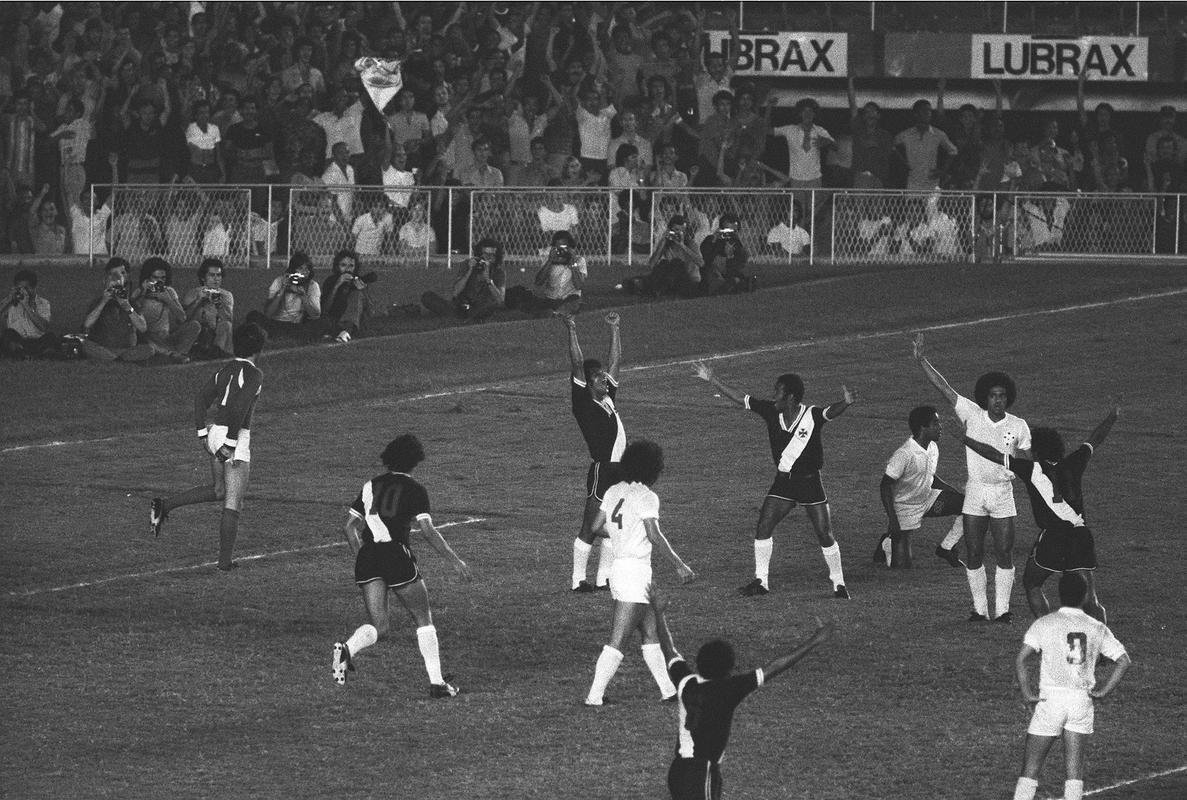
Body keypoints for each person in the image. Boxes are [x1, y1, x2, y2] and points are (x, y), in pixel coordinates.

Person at [692, 362, 856, 598]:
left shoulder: (811, 415)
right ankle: (761, 582)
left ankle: (839, 584)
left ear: (790, 397)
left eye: (777, 391)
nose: (773, 395)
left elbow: (830, 412)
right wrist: (712, 379)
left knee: (824, 532)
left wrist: (847, 403)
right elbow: (743, 398)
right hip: (784, 482)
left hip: (810, 482)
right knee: (764, 526)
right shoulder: (771, 411)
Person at [651, 591, 834, 800]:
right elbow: (775, 666)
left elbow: (669, 650)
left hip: (678, 771)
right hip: (701, 773)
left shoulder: (685, 682)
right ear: (728, 670)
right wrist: (814, 641)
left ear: (699, 663)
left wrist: (659, 613)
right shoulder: (729, 690)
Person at [330, 434, 473, 698]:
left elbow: (349, 527)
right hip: (395, 555)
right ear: (414, 461)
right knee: (423, 619)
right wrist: (455, 560)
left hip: (369, 556)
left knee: (380, 627)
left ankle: (347, 649)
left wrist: (364, 557)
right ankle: (437, 683)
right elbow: (428, 531)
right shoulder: (415, 489)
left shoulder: (370, 485)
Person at [953, 406, 1119, 623]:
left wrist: (966, 440)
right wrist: (1113, 416)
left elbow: (993, 454)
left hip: (1054, 538)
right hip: (1080, 536)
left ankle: (1049, 635)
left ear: (1037, 451)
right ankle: (1104, 654)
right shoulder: (1075, 462)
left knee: (1032, 583)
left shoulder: (1031, 469)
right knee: (1090, 600)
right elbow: (1095, 438)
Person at [914, 332, 1031, 623]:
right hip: (976, 492)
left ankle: (1002, 610)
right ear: (984, 397)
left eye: (1002, 395)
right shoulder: (972, 414)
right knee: (974, 550)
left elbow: (1028, 462)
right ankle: (979, 610)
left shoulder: (1019, 425)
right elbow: (944, 388)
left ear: (1009, 397)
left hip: (1003, 493)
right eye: (992, 395)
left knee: (1004, 552)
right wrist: (921, 360)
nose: (997, 400)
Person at [583, 440, 696, 706]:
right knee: (618, 639)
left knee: (650, 631)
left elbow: (595, 527)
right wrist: (679, 563)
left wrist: (622, 534)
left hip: (621, 568)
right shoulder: (646, 496)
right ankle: (594, 696)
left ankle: (668, 691)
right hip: (635, 571)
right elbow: (653, 534)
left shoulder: (613, 491)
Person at [149, 322, 268, 572]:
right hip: (234, 437)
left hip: (215, 432)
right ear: (259, 349)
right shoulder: (255, 374)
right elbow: (240, 409)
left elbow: (201, 398)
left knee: (219, 490)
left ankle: (165, 505)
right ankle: (224, 563)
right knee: (233, 502)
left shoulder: (225, 370)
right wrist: (230, 444)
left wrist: (203, 433)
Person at [1010, 572, 1130, 800]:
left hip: (1050, 701)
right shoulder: (1096, 626)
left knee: (1030, 770)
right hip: (1080, 702)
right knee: (1074, 773)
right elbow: (1123, 661)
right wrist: (1104, 691)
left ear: (1059, 594)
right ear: (1085, 596)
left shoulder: (1044, 623)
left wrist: (1027, 692)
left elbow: (1021, 659)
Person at [560, 311, 626, 593]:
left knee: (612, 522)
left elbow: (615, 362)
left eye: (603, 376)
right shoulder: (583, 404)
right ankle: (578, 581)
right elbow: (576, 362)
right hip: (603, 470)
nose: (604, 379)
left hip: (620, 470)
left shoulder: (607, 398)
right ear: (587, 383)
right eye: (598, 377)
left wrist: (615, 329)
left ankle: (604, 579)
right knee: (590, 525)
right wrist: (572, 329)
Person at [877, 405, 965, 569]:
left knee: (969, 505)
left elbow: (929, 475)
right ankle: (888, 543)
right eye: (935, 423)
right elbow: (885, 487)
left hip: (927, 500)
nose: (940, 427)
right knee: (902, 568)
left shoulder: (932, 447)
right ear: (923, 427)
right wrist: (893, 521)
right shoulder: (904, 454)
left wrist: (952, 492)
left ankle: (946, 548)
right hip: (905, 508)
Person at [80, 257, 158, 362]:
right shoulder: (98, 302)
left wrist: (126, 305)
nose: (116, 279)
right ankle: (118, 359)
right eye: (112, 275)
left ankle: (115, 359)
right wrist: (103, 302)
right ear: (105, 281)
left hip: (127, 349)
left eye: (121, 274)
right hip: (104, 348)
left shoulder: (132, 303)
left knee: (149, 349)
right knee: (86, 346)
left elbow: (143, 328)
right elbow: (87, 324)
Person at [132, 257, 202, 362]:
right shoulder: (139, 292)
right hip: (148, 337)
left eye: (163, 278)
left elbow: (182, 318)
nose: (159, 282)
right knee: (146, 337)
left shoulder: (169, 291)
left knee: (194, 325)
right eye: (155, 278)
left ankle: (172, 353)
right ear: (147, 278)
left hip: (166, 337)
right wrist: (142, 294)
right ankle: (172, 354)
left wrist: (168, 300)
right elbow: (134, 319)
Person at [421, 238, 506, 322]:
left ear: (496, 257)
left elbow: (500, 300)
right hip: (461, 305)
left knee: (489, 306)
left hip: (480, 307)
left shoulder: (498, 272)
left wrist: (488, 280)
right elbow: (456, 292)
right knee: (428, 297)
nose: (488, 258)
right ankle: (463, 318)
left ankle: (465, 318)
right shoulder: (468, 265)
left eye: (492, 255)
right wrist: (469, 271)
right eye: (485, 254)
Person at [505, 231, 587, 317]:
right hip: (551, 299)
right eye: (557, 247)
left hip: (570, 299)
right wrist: (550, 261)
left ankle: (556, 313)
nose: (561, 250)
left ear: (570, 247)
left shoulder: (579, 260)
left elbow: (579, 285)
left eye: (564, 247)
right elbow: (538, 282)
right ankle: (553, 313)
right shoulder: (550, 260)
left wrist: (573, 263)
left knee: (570, 303)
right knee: (529, 299)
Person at [619, 214, 702, 298]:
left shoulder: (691, 244)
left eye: (682, 231)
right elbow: (651, 264)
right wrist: (663, 242)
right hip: (671, 278)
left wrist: (682, 245)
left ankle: (650, 288)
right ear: (670, 230)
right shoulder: (668, 244)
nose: (678, 233)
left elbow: (701, 263)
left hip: (688, 279)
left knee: (676, 263)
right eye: (676, 230)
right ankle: (646, 286)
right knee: (663, 263)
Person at [246, 252, 322, 342]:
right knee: (253, 315)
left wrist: (303, 296)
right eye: (300, 268)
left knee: (316, 325)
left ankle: (271, 335)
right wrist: (281, 291)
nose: (304, 272)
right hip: (275, 322)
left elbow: (315, 314)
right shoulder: (280, 281)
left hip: (295, 325)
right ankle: (275, 335)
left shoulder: (312, 285)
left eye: (307, 269)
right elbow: (268, 313)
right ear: (293, 270)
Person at [181, 258, 235, 359]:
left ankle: (216, 351)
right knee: (195, 325)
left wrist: (218, 303)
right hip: (199, 334)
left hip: (216, 335)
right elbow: (184, 319)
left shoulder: (226, 295)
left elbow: (229, 320)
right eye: (211, 275)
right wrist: (198, 301)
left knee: (226, 325)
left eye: (218, 275)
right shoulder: (193, 293)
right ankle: (200, 350)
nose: (216, 279)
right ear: (203, 278)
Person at [1, 269, 60, 359]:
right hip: (18, 340)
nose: (23, 292)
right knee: (8, 334)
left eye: (26, 288)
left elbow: (43, 326)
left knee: (51, 337)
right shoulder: (11, 302)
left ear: (34, 288)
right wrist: (9, 299)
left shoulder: (43, 303)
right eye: (20, 288)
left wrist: (26, 305)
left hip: (37, 340)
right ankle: (20, 353)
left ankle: (36, 355)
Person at [699, 214, 753, 295]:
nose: (729, 234)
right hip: (712, 273)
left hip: (728, 272)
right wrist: (714, 239)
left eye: (733, 231)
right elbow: (706, 260)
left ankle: (732, 284)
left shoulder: (736, 243)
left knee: (741, 278)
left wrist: (729, 256)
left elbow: (736, 267)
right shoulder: (711, 240)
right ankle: (727, 285)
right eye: (727, 231)